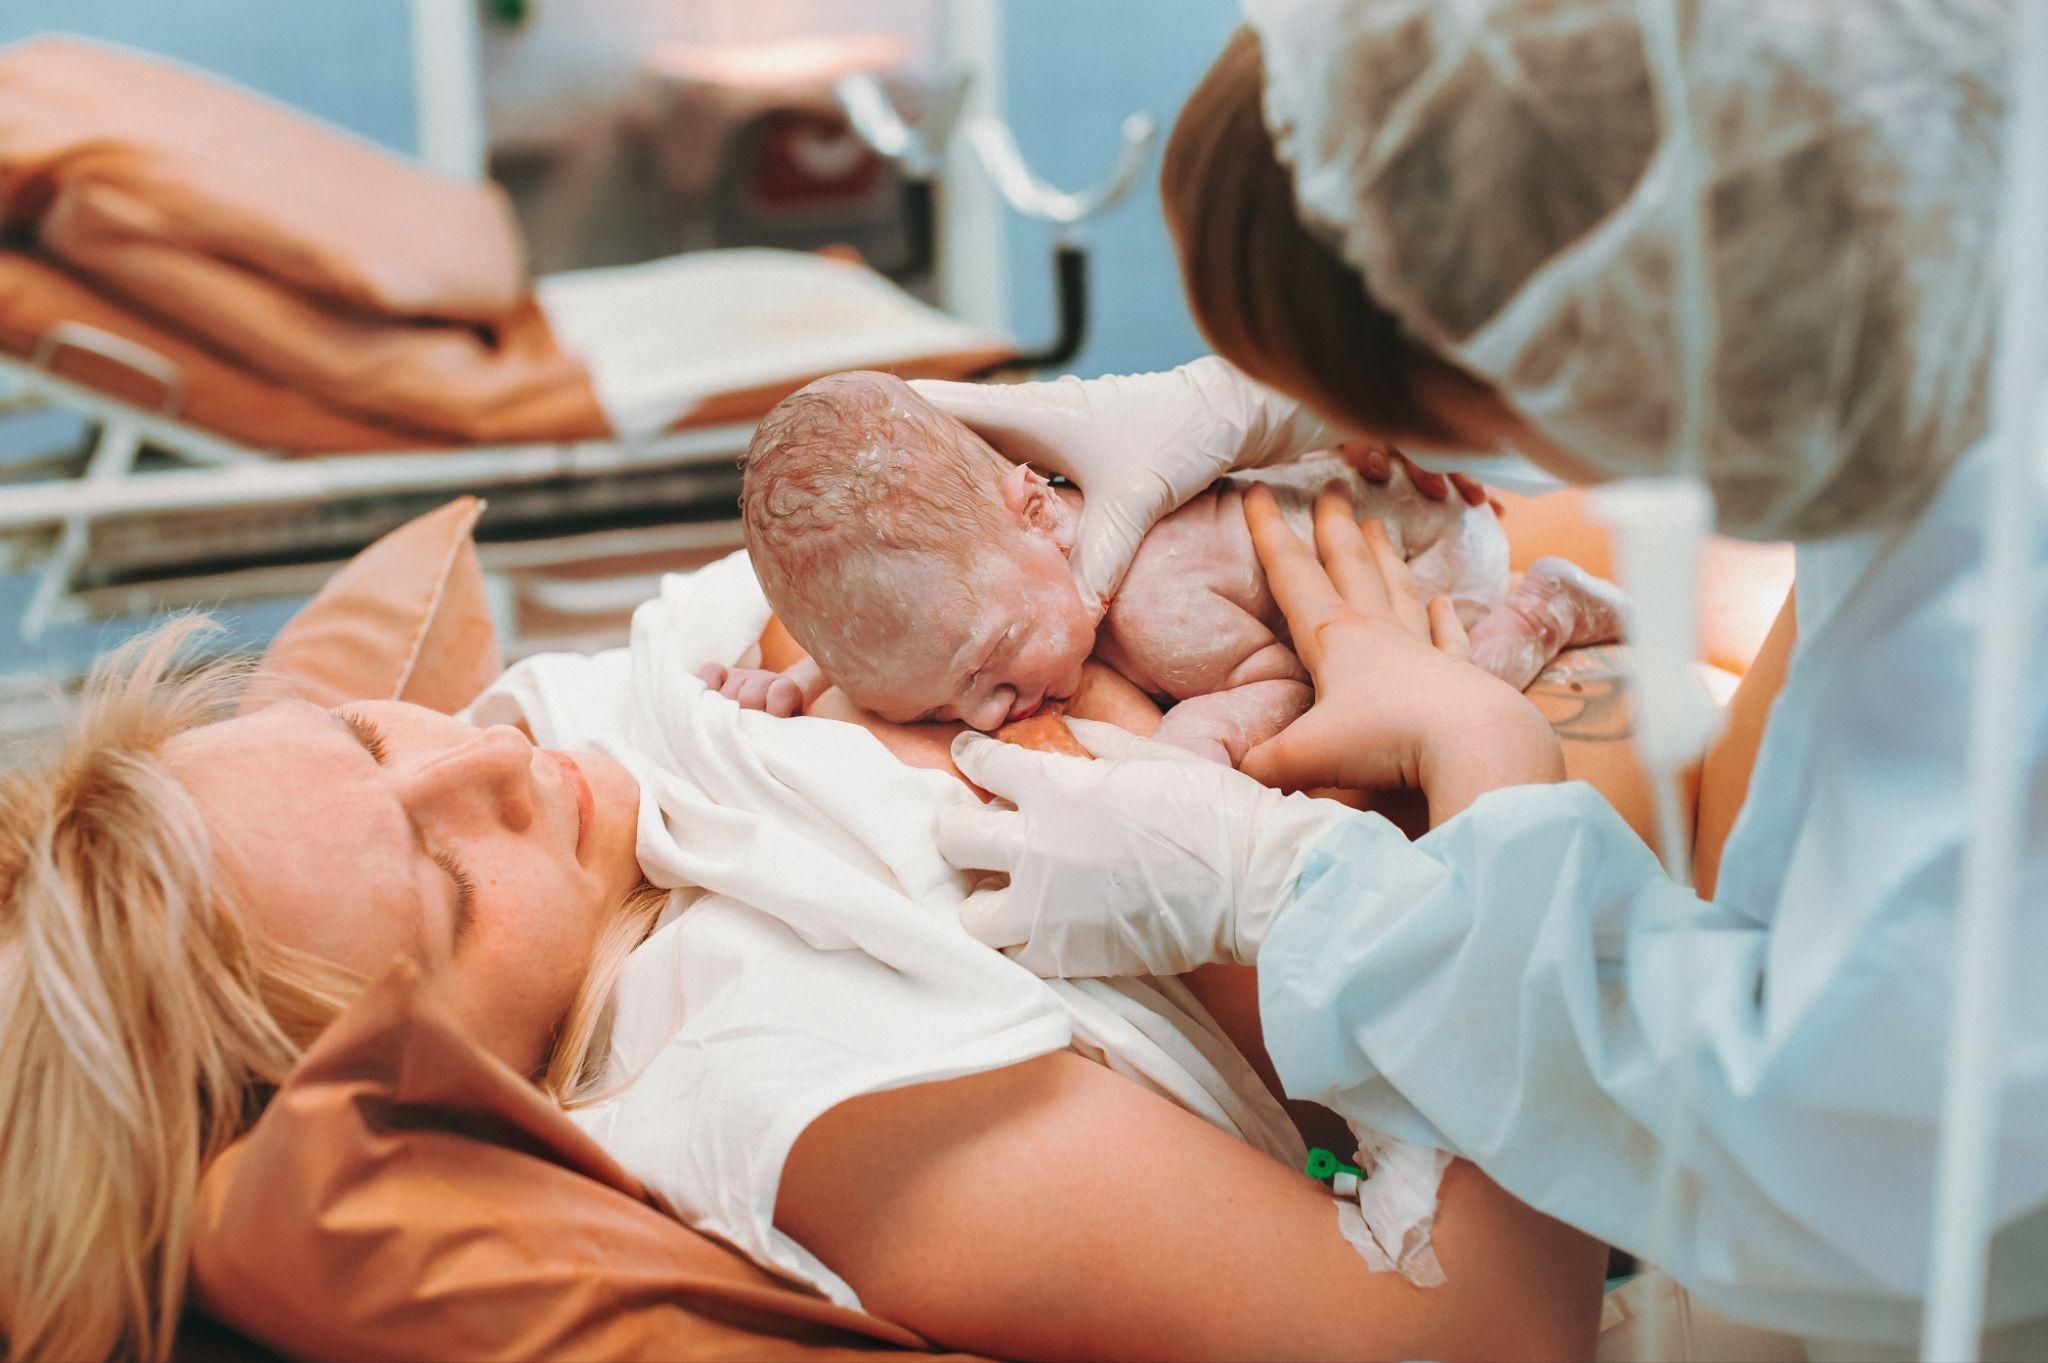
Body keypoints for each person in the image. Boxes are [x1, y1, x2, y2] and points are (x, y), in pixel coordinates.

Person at [925, 2, 2048, 1352]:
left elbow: (1857, 1154)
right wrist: (1279, 402)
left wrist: (1304, 886)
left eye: (1476, 408)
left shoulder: (1996, 574)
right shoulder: (1931, 247)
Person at [0, 614, 1605, 1363]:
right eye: (445, 881)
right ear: (416, 1079)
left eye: (369, 734)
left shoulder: (577, 751)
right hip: (1635, 1031)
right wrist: (1491, 762)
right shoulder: (812, 1093)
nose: (485, 752)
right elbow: (1482, 1335)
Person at [716, 368, 1620, 762]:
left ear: (1041, 511)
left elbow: (1295, 677)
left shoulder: (1159, 608)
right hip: (1357, 472)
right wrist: (801, 679)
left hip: (1423, 540)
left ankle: (1543, 611)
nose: (984, 714)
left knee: (1429, 691)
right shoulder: (996, 589)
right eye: (936, 707)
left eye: (991, 665)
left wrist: (1213, 730)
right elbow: (920, 642)